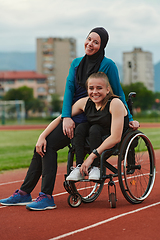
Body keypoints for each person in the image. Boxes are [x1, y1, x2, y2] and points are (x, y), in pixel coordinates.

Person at [0, 27, 139, 211]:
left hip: (94, 116)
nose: (90, 44)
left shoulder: (108, 65)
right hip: (75, 112)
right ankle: (26, 193)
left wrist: (129, 117)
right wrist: (66, 117)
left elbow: (117, 92)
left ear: (102, 45)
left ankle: (45, 196)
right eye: (89, 39)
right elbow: (69, 91)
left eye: (96, 42)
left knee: (53, 143)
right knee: (43, 145)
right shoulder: (75, 63)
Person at [66, 72, 130, 181]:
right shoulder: (85, 102)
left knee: (94, 129)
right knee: (81, 128)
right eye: (91, 88)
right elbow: (62, 116)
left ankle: (95, 167)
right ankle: (78, 166)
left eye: (99, 88)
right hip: (94, 135)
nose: (95, 92)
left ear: (107, 90)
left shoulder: (115, 103)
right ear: (87, 90)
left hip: (111, 138)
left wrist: (91, 157)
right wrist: (42, 136)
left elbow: (116, 138)